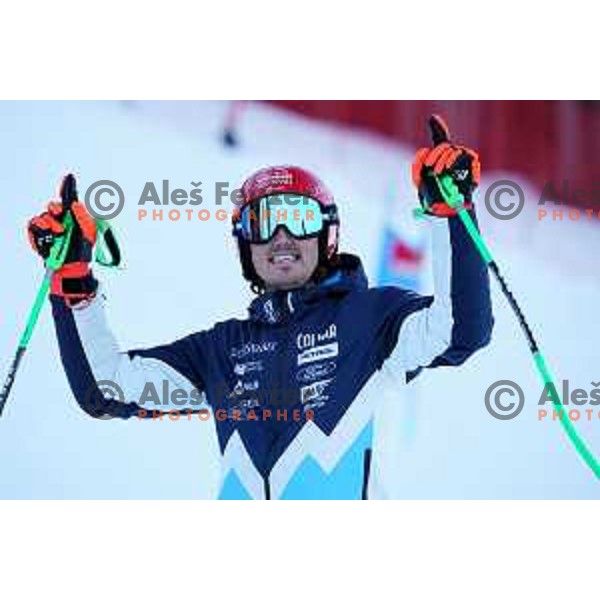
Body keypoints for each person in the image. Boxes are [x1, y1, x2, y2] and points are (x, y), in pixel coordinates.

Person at [27, 116, 493, 499]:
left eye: (301, 216)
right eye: (264, 220)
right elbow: (104, 388)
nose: (282, 235)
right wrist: (72, 281)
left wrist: (450, 213)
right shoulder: (221, 351)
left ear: (327, 236)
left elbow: (461, 330)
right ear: (245, 245)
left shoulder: (368, 320)